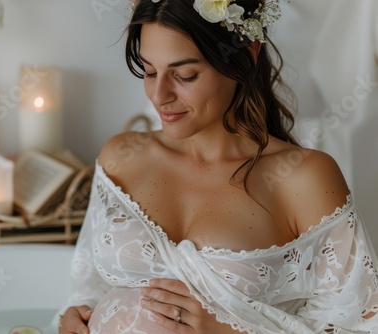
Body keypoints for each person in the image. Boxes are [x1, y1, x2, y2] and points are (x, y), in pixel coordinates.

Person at [55, 0, 378, 333]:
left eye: (185, 75)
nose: (159, 95)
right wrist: (75, 315)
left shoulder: (302, 177)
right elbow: (88, 282)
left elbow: (360, 325)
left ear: (247, 56)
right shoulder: (121, 155)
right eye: (149, 71)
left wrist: (230, 329)